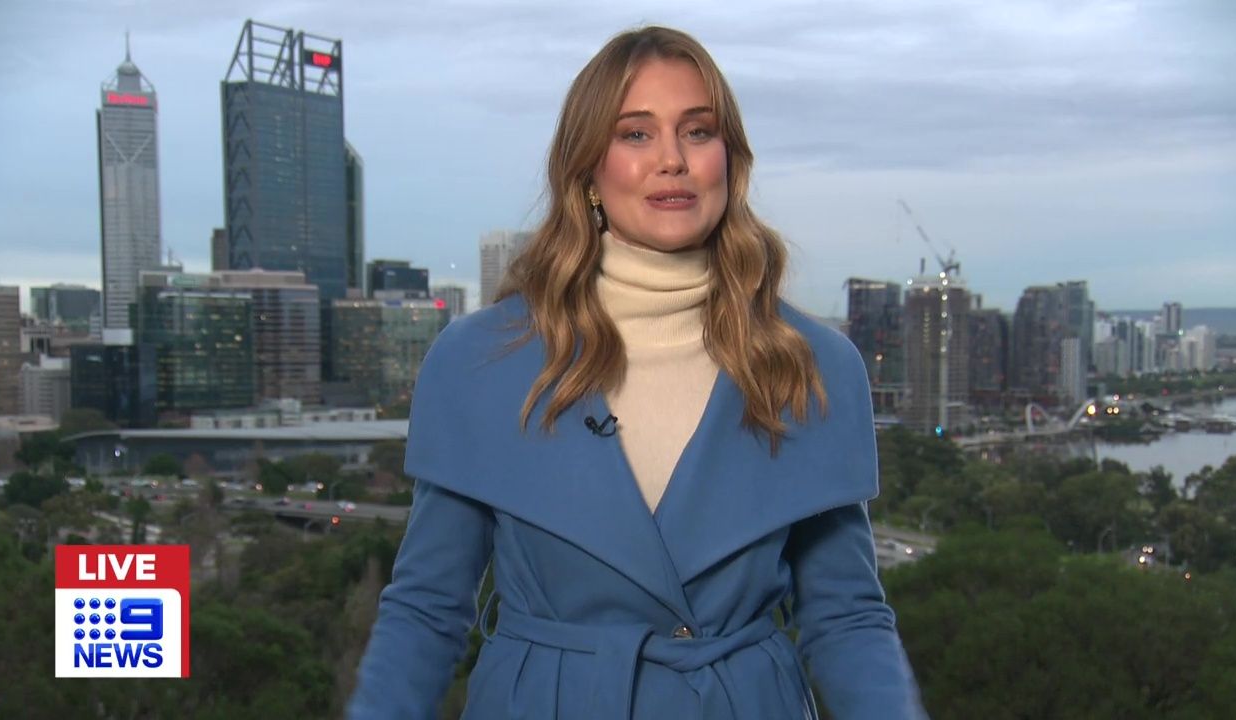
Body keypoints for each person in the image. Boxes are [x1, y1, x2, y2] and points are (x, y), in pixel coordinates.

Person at [349, 25, 926, 720]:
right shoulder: (479, 362)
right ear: (588, 168)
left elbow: (846, 618)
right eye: (636, 134)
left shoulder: (811, 365)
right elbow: (427, 610)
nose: (672, 160)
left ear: (729, 160)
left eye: (698, 131)